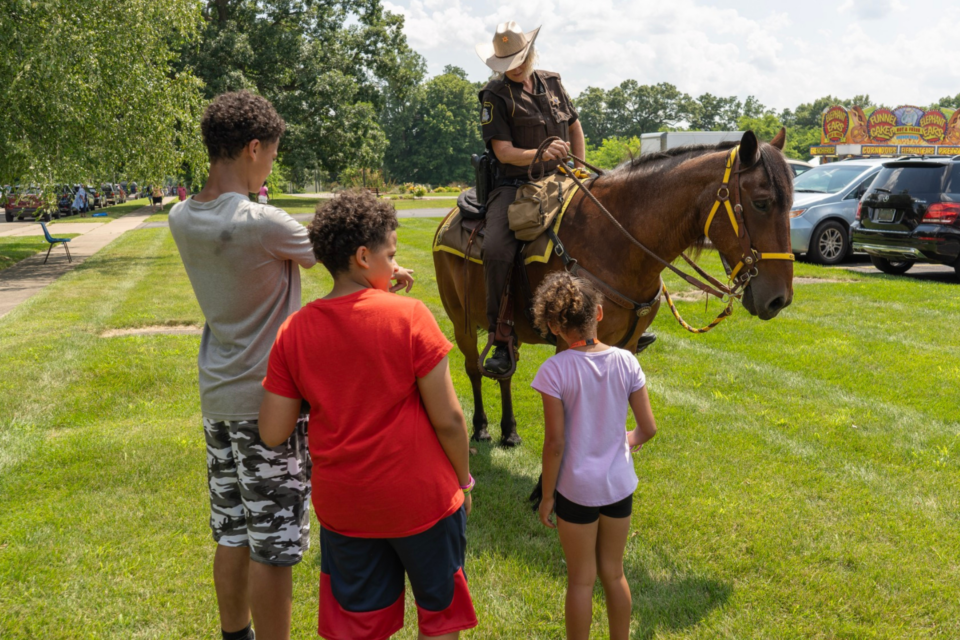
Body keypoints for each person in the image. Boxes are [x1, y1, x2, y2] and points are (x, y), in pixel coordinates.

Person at [259, 190, 478, 640]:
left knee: (359, 627)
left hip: (346, 508)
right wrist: (464, 479)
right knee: (439, 618)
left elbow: (273, 430)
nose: (395, 266)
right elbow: (451, 420)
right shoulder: (412, 317)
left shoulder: (294, 330)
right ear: (363, 256)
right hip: (423, 501)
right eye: (390, 255)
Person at [530, 272, 658, 640]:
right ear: (599, 314)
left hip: (576, 492)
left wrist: (548, 496)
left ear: (553, 325)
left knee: (581, 582)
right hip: (619, 487)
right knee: (614, 574)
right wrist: (626, 442)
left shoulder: (553, 370)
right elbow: (647, 428)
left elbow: (555, 443)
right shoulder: (626, 361)